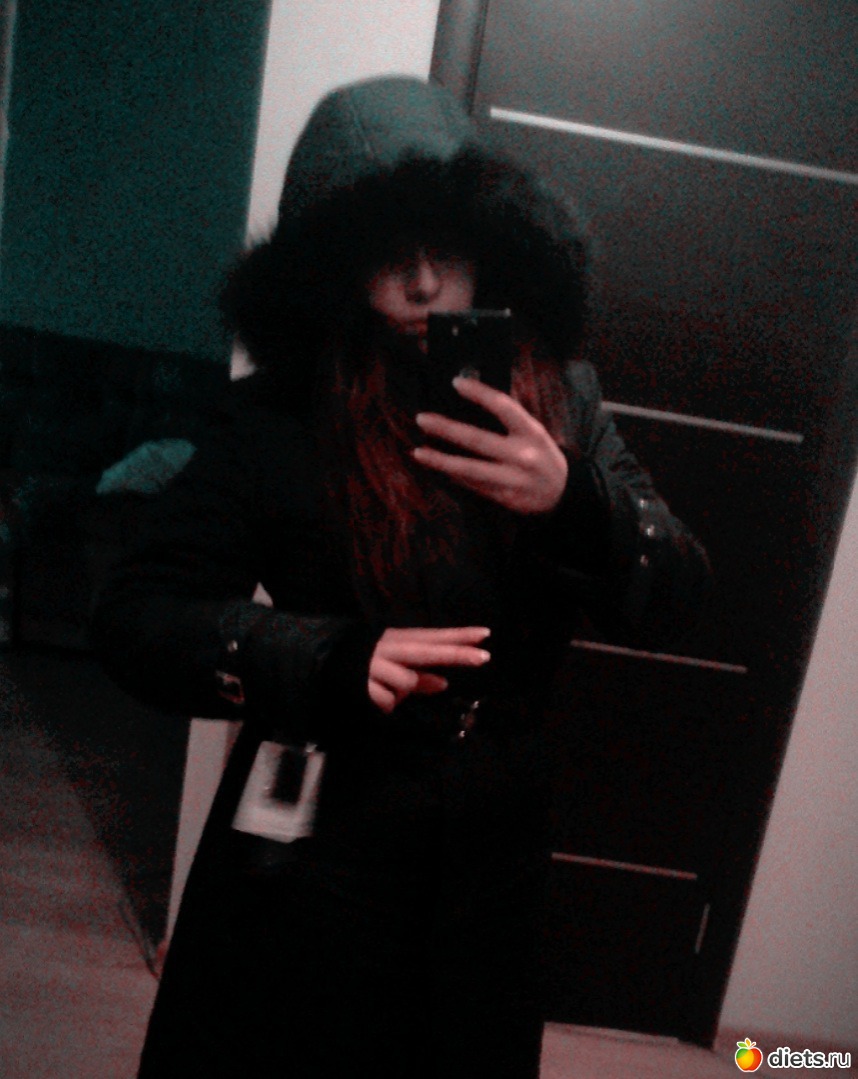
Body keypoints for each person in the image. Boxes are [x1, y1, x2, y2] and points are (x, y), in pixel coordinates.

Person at [92, 76, 710, 1078]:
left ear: (491, 243)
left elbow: (680, 594)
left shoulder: (562, 400)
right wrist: (322, 656)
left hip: (492, 853)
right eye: (390, 252)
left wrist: (573, 498)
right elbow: (133, 615)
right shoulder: (278, 417)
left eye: (447, 247)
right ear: (335, 264)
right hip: (315, 839)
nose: (426, 284)